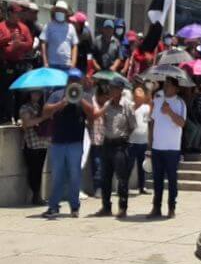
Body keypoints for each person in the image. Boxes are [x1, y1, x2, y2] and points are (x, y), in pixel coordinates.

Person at [42, 68, 95, 218]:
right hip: (58, 142)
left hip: (75, 142)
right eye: (71, 80)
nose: (73, 82)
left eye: (76, 80)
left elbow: (92, 114)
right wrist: (61, 103)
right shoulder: (57, 95)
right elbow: (45, 112)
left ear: (80, 82)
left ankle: (74, 207)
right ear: (67, 81)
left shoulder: (85, 95)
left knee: (74, 175)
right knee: (57, 176)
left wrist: (80, 100)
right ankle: (53, 206)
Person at [95, 77, 136, 218]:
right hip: (107, 143)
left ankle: (122, 207)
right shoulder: (107, 104)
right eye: (110, 88)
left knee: (122, 178)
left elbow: (132, 126)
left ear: (120, 90)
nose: (111, 90)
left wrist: (125, 137)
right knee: (105, 177)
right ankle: (106, 207)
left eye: (113, 88)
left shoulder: (127, 106)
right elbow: (99, 117)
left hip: (120, 145)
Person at [148, 76, 187, 218]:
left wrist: (170, 112)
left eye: (169, 85)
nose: (166, 87)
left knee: (171, 179)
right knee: (157, 179)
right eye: (165, 84)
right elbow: (152, 123)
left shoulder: (180, 103)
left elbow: (182, 123)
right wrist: (150, 144)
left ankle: (171, 207)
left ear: (176, 88)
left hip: (172, 148)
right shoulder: (157, 101)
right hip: (157, 146)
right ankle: (156, 207)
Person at [0, 1, 34, 122]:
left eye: (19, 13)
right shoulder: (2, 26)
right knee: (6, 91)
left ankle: (18, 116)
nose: (18, 16)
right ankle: (5, 117)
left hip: (20, 64)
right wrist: (10, 38)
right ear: (9, 13)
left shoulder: (23, 28)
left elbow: (30, 44)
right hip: (6, 63)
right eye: (16, 13)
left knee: (21, 91)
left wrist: (20, 44)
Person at [19, 90, 49, 205]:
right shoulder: (25, 107)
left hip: (42, 142)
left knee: (39, 169)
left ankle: (38, 195)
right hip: (30, 143)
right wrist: (42, 118)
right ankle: (35, 195)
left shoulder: (41, 106)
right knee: (33, 170)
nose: (37, 95)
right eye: (34, 93)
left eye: (39, 93)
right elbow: (27, 123)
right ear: (29, 94)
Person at [39, 0, 78, 69]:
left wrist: (73, 62)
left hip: (66, 64)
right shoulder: (48, 26)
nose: (60, 13)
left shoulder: (71, 27)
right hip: (52, 64)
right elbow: (43, 44)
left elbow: (74, 45)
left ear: (66, 13)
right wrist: (45, 62)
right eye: (58, 10)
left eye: (62, 11)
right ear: (54, 12)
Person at [130, 85, 151, 196]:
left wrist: (149, 141)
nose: (138, 97)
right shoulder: (130, 107)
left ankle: (142, 186)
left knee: (142, 166)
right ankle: (123, 186)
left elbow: (148, 123)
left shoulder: (146, 108)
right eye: (136, 95)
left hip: (143, 141)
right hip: (131, 141)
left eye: (140, 95)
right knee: (128, 165)